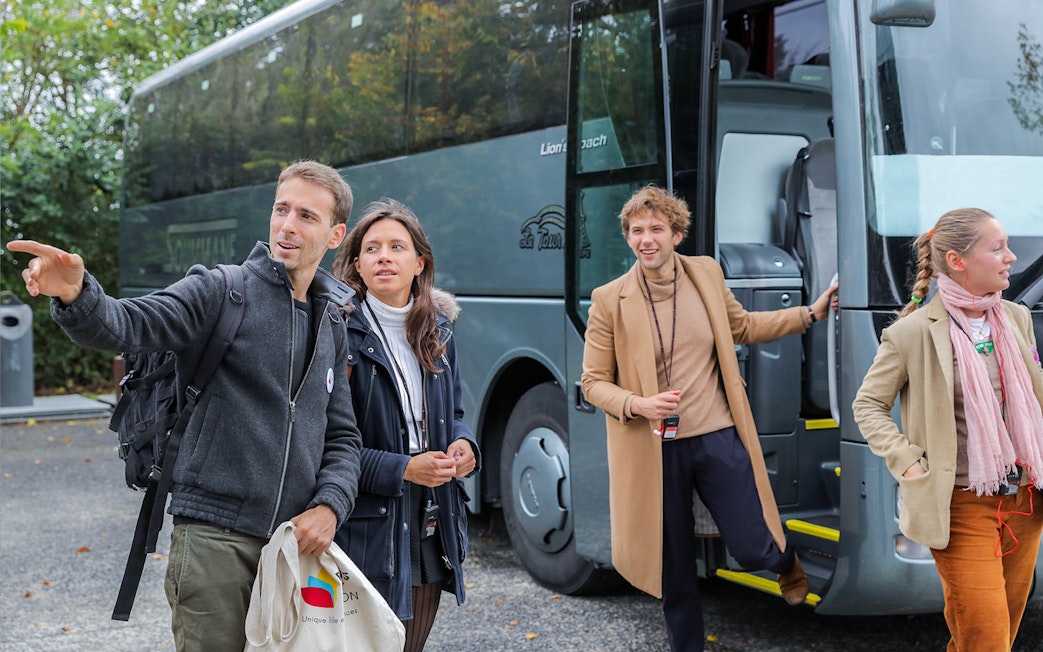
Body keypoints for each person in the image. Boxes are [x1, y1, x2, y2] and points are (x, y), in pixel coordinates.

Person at [7, 160, 363, 652]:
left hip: (294, 549)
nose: (287, 225)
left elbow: (343, 435)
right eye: (282, 209)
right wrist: (76, 294)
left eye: (306, 216)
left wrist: (330, 505)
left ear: (334, 235)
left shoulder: (332, 321)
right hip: (214, 541)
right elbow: (128, 323)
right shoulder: (223, 291)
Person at [580, 185, 836, 652]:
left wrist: (809, 314)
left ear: (677, 234)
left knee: (752, 544)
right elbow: (593, 382)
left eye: (657, 228)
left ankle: (785, 564)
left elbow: (742, 327)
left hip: (716, 433)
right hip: (654, 448)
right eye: (637, 231)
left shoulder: (705, 274)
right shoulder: (609, 299)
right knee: (674, 566)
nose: (646, 239)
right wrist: (638, 405)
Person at [853, 208, 1043, 651]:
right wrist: (909, 463)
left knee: (994, 632)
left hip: (1025, 501)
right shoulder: (911, 332)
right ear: (958, 261)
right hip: (961, 507)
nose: (1011, 257)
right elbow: (868, 405)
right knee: (987, 638)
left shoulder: (1015, 318)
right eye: (997, 249)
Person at [330, 198, 479, 652]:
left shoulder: (439, 330)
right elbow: (323, 444)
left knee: (410, 645)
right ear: (357, 264)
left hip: (430, 515)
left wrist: (464, 443)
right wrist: (402, 469)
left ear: (419, 262)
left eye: (397, 246)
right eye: (372, 248)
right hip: (365, 519)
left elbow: (453, 412)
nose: (384, 257)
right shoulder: (337, 331)